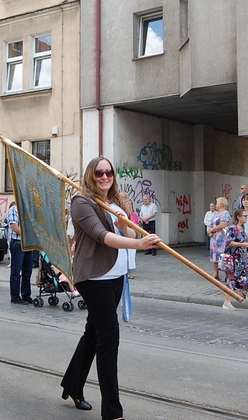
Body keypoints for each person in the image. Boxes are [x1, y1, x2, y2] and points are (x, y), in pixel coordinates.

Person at [61, 157, 160, 420]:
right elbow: (100, 235)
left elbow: (128, 236)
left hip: (116, 276)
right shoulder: (82, 202)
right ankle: (113, 413)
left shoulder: (116, 202)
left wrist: (129, 229)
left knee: (93, 334)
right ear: (90, 176)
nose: (105, 177)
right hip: (94, 278)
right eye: (99, 173)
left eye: (109, 172)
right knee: (109, 340)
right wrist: (139, 245)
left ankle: (72, 385)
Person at [220, 209, 248, 310]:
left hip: (243, 258)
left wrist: (246, 249)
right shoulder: (232, 228)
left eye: (246, 216)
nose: (246, 218)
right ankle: (227, 302)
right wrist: (242, 244)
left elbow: (243, 242)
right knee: (231, 280)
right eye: (244, 216)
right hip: (235, 259)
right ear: (238, 217)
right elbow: (229, 242)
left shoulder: (242, 228)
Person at [6, 201, 36, 304]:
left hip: (28, 243)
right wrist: (27, 234)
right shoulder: (14, 210)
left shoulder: (29, 209)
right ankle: (15, 296)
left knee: (27, 271)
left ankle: (26, 295)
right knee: (16, 271)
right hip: (18, 243)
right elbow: (15, 228)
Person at [207, 197, 230, 279]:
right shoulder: (217, 214)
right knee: (215, 256)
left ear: (221, 204)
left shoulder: (225, 213)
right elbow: (212, 224)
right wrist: (210, 231)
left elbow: (222, 225)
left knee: (222, 256)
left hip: (221, 238)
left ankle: (226, 274)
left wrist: (212, 229)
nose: (215, 204)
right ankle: (216, 273)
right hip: (214, 238)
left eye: (216, 203)